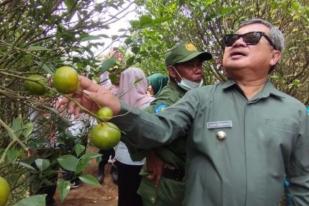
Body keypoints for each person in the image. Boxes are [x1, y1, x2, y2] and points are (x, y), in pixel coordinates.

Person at [64, 18, 309, 206]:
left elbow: (302, 184)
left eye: (252, 37)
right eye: (231, 39)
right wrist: (116, 107)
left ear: (275, 55)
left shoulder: (295, 113)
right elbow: (159, 129)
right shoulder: (200, 98)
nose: (237, 42)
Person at [131, 42, 212, 206]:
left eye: (199, 64)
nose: (197, 69)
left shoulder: (199, 95)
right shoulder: (169, 100)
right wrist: (151, 152)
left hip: (188, 184)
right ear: (172, 71)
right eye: (190, 65)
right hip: (167, 187)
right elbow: (136, 129)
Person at [114, 67, 155, 206]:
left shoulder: (116, 105)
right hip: (145, 160)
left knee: (125, 194)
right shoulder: (151, 104)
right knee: (143, 197)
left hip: (123, 158)